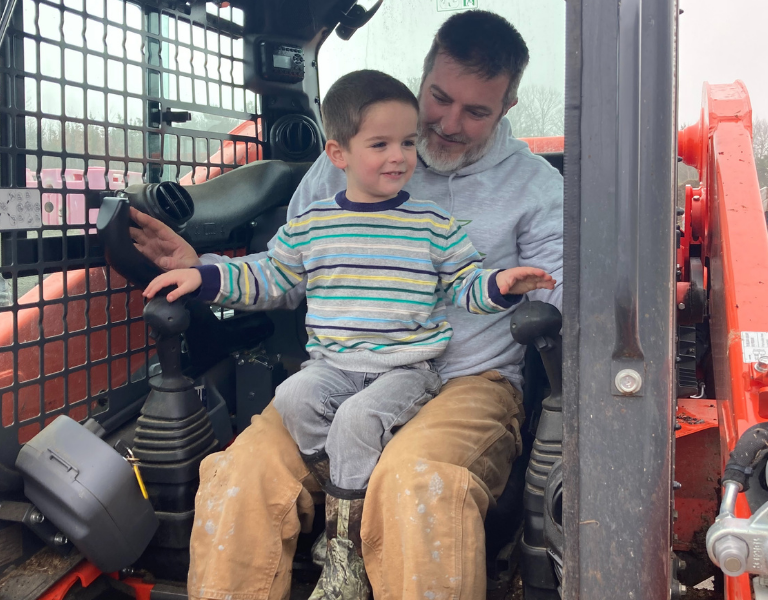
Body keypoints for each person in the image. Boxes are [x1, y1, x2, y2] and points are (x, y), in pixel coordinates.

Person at [130, 10, 563, 600]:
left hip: (467, 380)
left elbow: (558, 296)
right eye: (438, 98)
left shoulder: (536, 188)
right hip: (341, 371)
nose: (449, 123)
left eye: (476, 111)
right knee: (239, 478)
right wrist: (204, 272)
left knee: (418, 483)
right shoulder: (337, 173)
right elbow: (287, 271)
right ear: (423, 77)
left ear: (507, 107)